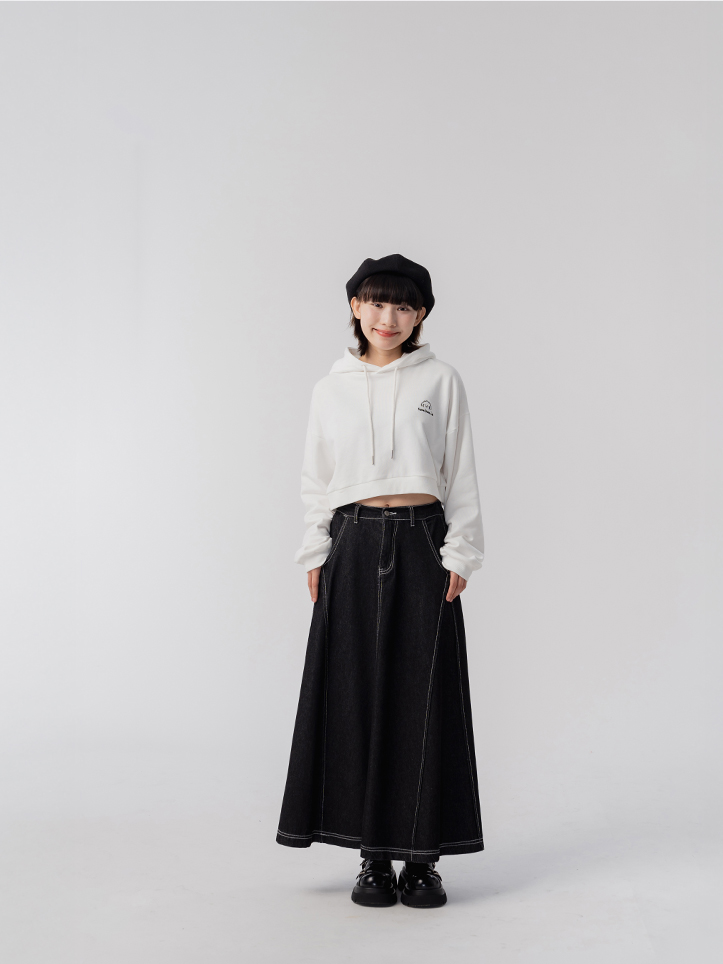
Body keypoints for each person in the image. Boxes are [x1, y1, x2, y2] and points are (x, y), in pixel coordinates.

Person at [276, 254, 484, 909]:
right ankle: (372, 856)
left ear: (420, 315)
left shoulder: (440, 380)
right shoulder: (330, 388)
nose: (387, 317)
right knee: (356, 693)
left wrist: (461, 551)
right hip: (353, 539)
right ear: (355, 307)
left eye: (403, 306)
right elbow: (316, 477)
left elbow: (460, 468)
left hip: (423, 540)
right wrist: (316, 551)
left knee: (424, 696)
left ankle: (422, 861)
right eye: (375, 302)